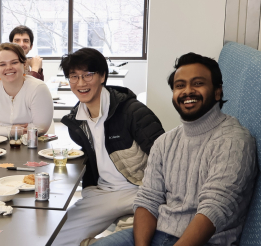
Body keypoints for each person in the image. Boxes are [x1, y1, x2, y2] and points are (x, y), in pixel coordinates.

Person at [92, 53, 257, 246]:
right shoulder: (165, 142)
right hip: (158, 233)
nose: (188, 91)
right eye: (180, 86)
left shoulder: (233, 141)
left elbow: (214, 209)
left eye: (197, 83)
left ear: (218, 92)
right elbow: (148, 199)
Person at [53, 48, 164, 246]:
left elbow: (166, 160)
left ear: (103, 76)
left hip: (140, 191)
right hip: (104, 192)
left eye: (88, 75)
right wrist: (89, 189)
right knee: (52, 238)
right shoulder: (76, 122)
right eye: (74, 77)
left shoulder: (133, 112)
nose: (80, 83)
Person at [0, 43, 53, 136]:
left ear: (24, 64)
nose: (9, 68)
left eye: (14, 62)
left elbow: (40, 128)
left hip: (29, 146)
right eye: (2, 64)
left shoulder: (38, 88)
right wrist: (12, 130)